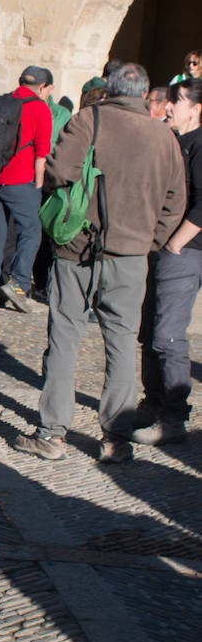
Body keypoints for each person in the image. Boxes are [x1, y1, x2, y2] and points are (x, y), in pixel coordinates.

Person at [15, 63, 186, 465]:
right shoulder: (163, 136)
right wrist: (149, 239)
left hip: (77, 249)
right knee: (123, 343)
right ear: (144, 94)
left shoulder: (88, 120)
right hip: (130, 256)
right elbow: (175, 201)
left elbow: (58, 173)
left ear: (110, 88)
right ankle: (116, 440)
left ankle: (52, 434)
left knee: (64, 338)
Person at [134, 77, 202, 445]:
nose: (169, 106)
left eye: (177, 101)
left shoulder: (200, 145)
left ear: (197, 108)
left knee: (168, 336)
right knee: (148, 331)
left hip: (184, 252)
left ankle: (174, 417)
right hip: (157, 248)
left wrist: (176, 242)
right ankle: (153, 402)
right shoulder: (173, 140)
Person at [0, 66, 54, 312]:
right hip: (21, 181)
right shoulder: (40, 108)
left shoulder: (1, 102)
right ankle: (20, 283)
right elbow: (42, 153)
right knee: (31, 232)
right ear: (43, 87)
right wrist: (39, 183)